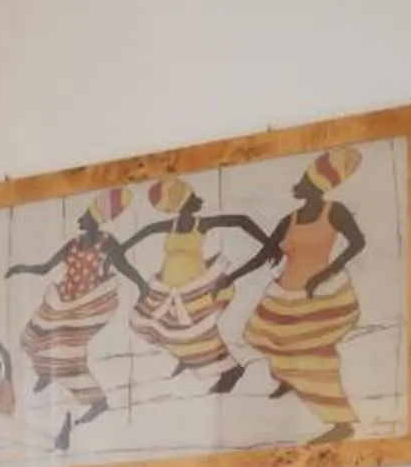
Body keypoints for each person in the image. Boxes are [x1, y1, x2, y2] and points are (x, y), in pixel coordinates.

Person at [224, 146, 371, 445]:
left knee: (318, 357)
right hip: (285, 297)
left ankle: (341, 423)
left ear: (316, 185)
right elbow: (264, 255)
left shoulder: (335, 211)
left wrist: (325, 273)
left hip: (321, 297)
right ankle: (288, 378)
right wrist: (230, 277)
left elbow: (358, 242)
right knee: (265, 338)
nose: (298, 184)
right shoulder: (289, 220)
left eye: (305, 179)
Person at [5, 186, 143, 451]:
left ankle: (95, 399)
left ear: (95, 219)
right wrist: (20, 268)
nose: (81, 221)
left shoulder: (107, 242)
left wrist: (142, 285)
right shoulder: (73, 244)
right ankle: (47, 370)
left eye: (86, 217)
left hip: (89, 304)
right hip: (64, 301)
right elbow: (46, 267)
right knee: (34, 334)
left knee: (66, 349)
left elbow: (124, 266)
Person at [116, 176, 269, 392]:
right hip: (168, 289)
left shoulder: (202, 224)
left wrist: (269, 243)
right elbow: (139, 235)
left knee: (200, 332)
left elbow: (241, 220)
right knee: (154, 327)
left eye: (182, 201)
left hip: (195, 287)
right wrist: (124, 253)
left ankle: (230, 371)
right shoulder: (170, 225)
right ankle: (201, 362)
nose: (180, 207)